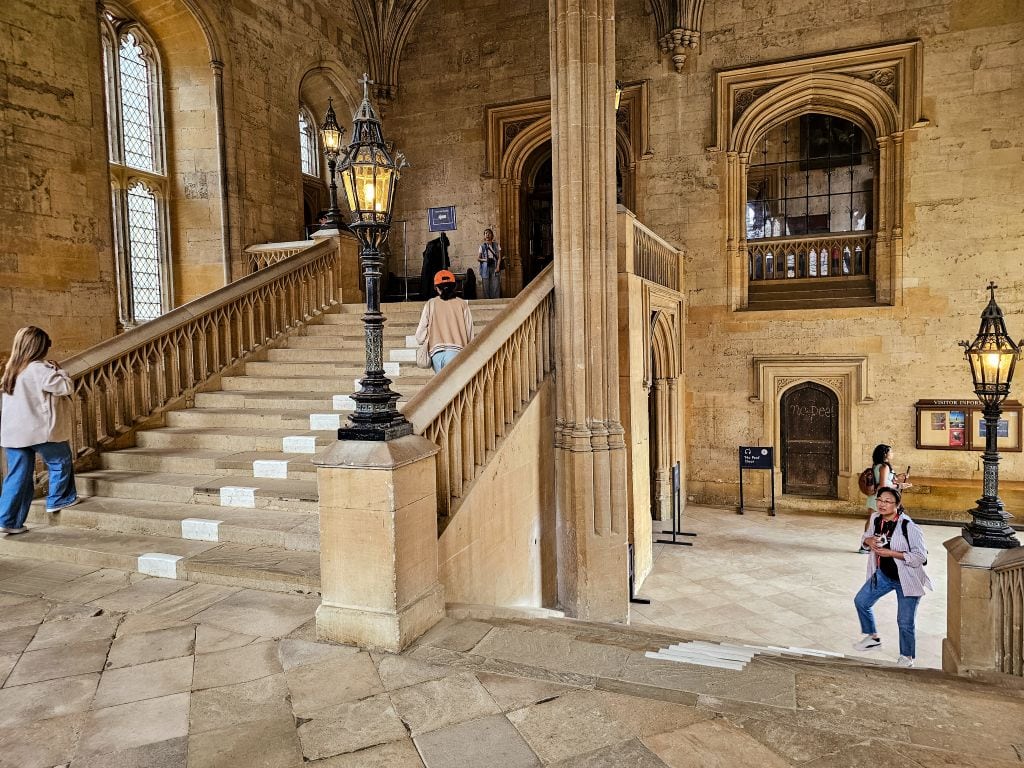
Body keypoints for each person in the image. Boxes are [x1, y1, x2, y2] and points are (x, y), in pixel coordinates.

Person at [0, 327, 79, 535]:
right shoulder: (39, 369)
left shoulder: (11, 369)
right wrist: (59, 370)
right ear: (39, 347)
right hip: (40, 430)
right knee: (60, 461)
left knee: (17, 477)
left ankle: (8, 520)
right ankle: (58, 499)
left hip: (14, 434)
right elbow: (65, 387)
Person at [853, 487, 932, 668]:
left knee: (905, 622)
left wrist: (892, 553)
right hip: (884, 574)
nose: (882, 504)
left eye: (887, 501)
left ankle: (907, 657)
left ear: (897, 505)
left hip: (907, 579)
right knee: (861, 601)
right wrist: (869, 541)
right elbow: (866, 537)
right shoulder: (875, 519)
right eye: (880, 500)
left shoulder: (908, 526)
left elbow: (921, 556)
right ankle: (872, 637)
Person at [415, 270, 474, 373]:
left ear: (436, 288)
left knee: (442, 387)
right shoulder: (462, 304)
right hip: (458, 352)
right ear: (454, 286)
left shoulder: (431, 304)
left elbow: (419, 335)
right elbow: (470, 333)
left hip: (437, 353)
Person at [860, 443, 910, 552]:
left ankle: (865, 545)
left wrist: (897, 477)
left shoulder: (877, 465)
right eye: (890, 452)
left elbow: (884, 479)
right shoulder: (884, 466)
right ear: (885, 454)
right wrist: (899, 485)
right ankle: (874, 544)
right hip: (880, 497)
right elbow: (883, 485)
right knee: (881, 520)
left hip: (874, 497)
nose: (892, 454)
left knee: (871, 520)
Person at [478, 228, 502, 299]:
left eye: (489, 233)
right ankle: (487, 301)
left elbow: (499, 257)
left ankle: (496, 301)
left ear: (492, 235)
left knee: (496, 285)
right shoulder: (482, 246)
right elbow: (478, 258)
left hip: (494, 266)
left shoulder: (496, 245)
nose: (487, 235)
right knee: (486, 286)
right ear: (484, 236)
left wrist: (498, 267)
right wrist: (486, 260)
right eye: (485, 233)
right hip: (485, 267)